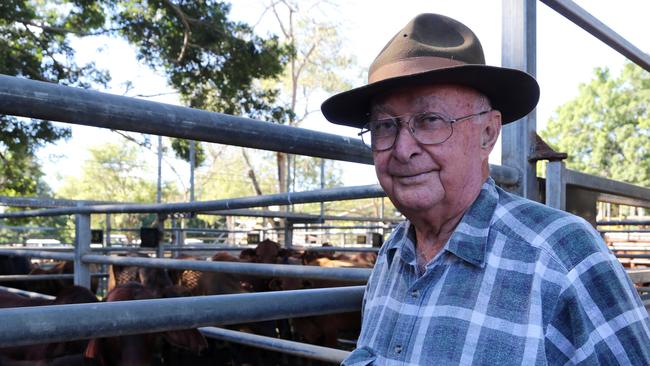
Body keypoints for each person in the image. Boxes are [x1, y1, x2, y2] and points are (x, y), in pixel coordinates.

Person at [321, 13, 650, 365]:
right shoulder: (392, 255)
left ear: (488, 134)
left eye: (430, 120)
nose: (403, 149)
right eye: (385, 126)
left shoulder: (562, 256)